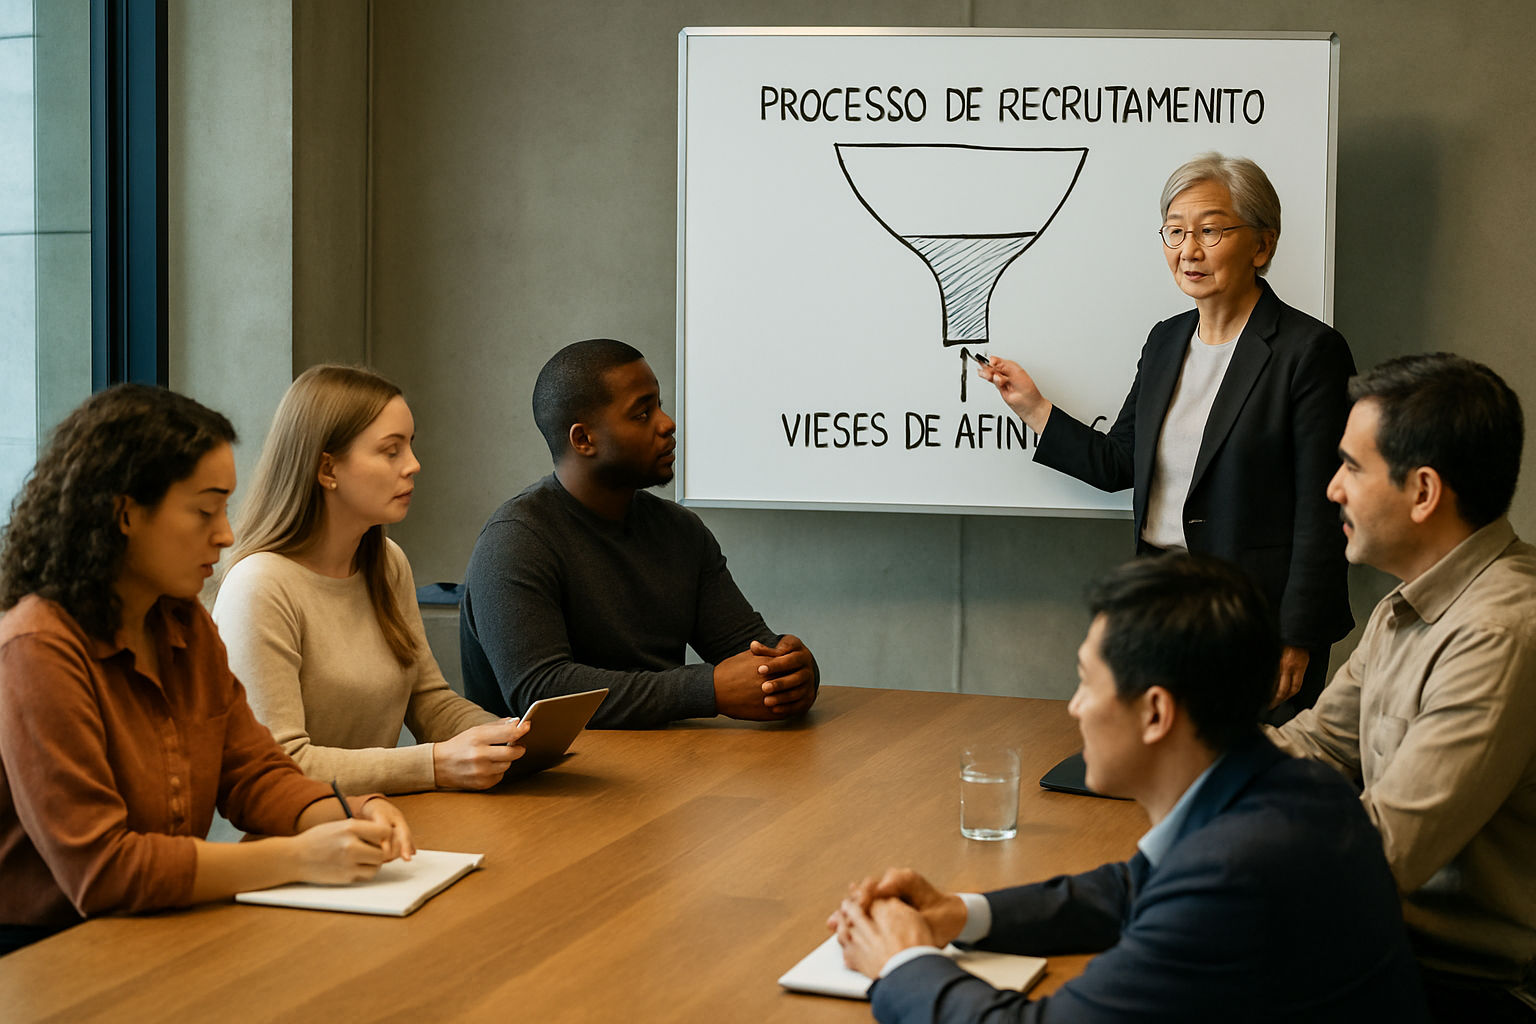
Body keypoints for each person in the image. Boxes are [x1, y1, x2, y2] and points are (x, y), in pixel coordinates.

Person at [828, 555, 1429, 1023]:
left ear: (1155, 713)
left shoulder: (1232, 877)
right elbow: (1131, 888)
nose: (1074, 706)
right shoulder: (1290, 785)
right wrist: (956, 914)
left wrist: (903, 962)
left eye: (1087, 683)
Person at [0, 385, 413, 956]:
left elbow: (253, 774)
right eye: (205, 510)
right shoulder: (37, 645)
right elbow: (103, 872)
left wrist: (352, 810)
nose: (226, 533)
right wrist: (299, 855)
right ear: (124, 514)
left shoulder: (184, 623)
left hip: (161, 929)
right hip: (49, 956)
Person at [980, 153, 1353, 714]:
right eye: (1175, 232)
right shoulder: (1165, 341)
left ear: (1261, 245)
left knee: (1243, 787)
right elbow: (1120, 464)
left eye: (1210, 231)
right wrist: (1035, 409)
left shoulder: (1309, 352)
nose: (1189, 250)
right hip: (1160, 606)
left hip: (1254, 616)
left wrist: (1298, 635)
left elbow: (1323, 510)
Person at [1267, 354, 1536, 1022]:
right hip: (1386, 952)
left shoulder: (1500, 633)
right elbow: (1316, 748)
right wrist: (1188, 752)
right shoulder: (1408, 603)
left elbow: (1379, 852)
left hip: (1467, 989)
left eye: (1351, 468)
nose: (1332, 490)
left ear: (1423, 492)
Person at [461, 338, 818, 728]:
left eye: (660, 405)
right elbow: (543, 690)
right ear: (583, 439)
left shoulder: (681, 532)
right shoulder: (515, 540)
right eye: (642, 413)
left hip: (664, 767)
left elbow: (750, 647)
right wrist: (707, 690)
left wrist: (792, 671)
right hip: (541, 781)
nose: (667, 424)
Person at [214, 365, 528, 795]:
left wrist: (508, 736)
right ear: (328, 469)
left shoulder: (386, 562)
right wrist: (433, 764)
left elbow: (428, 700)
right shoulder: (259, 586)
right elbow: (279, 765)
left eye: (410, 447)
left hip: (379, 824)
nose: (414, 465)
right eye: (390, 451)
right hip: (292, 846)